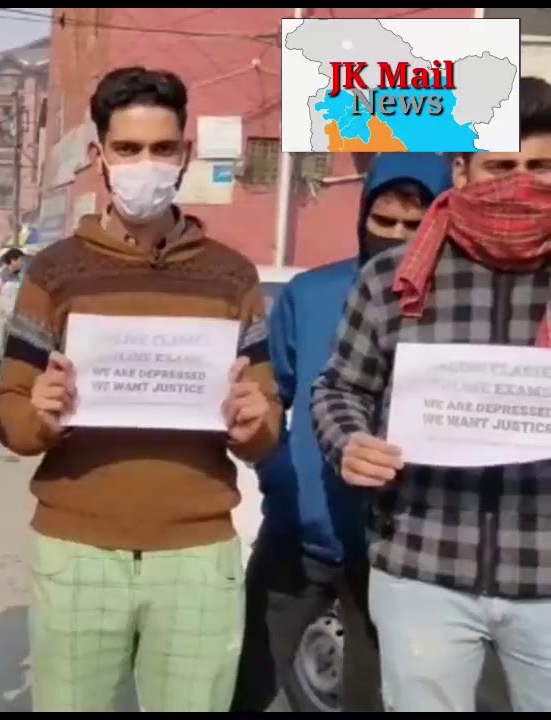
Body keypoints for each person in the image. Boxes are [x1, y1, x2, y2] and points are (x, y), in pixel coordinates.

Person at [0, 66, 281, 713]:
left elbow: (266, 423)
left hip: (198, 553)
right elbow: (7, 409)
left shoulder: (231, 276)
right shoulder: (56, 271)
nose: (143, 165)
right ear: (99, 156)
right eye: (127, 149)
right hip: (77, 549)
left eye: (160, 149)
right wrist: (39, 415)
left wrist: (253, 421)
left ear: (185, 154)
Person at [312, 76, 551, 713]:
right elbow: (340, 388)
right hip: (421, 566)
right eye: (502, 166)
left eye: (541, 167)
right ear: (463, 172)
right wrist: (350, 443)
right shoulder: (394, 276)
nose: (521, 182)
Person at [230, 153, 452, 713]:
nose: (398, 237)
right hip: (295, 536)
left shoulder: (456, 304)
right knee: (241, 684)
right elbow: (270, 392)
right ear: (362, 216)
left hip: (390, 553)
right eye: (385, 221)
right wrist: (280, 477)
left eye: (414, 223)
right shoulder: (309, 295)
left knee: (367, 701)